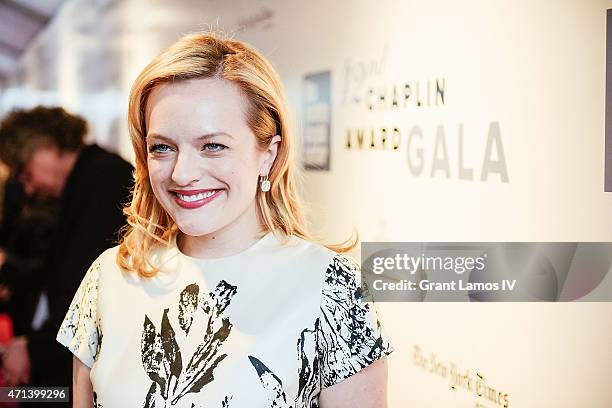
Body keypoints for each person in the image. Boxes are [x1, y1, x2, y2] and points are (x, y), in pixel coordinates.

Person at [57, 32, 393, 408]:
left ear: (268, 153)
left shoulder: (332, 289)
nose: (182, 174)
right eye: (163, 148)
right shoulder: (108, 278)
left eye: (212, 145)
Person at [0, 106, 133, 399]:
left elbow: (83, 285)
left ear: (45, 146)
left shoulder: (102, 179)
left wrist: (34, 349)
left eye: (24, 172)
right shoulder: (87, 180)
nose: (29, 187)